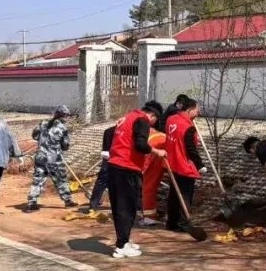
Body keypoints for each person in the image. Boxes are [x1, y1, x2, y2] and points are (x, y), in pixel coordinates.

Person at [107, 101, 165, 259]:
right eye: (155, 120)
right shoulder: (142, 120)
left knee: (120, 207)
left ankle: (123, 240)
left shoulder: (127, 117)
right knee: (127, 208)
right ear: (153, 116)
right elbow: (140, 144)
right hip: (127, 168)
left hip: (114, 166)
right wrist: (156, 151)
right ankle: (121, 247)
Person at [163, 94, 208, 232]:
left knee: (173, 194)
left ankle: (171, 223)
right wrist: (200, 165)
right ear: (189, 110)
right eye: (196, 109)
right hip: (183, 165)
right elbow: (191, 149)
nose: (198, 112)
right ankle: (183, 223)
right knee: (185, 195)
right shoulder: (188, 127)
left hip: (171, 163)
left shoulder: (171, 119)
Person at [26, 105, 75, 212]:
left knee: (38, 180)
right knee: (61, 179)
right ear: (64, 115)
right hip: (54, 158)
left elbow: (34, 135)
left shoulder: (43, 123)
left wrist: (44, 141)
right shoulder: (63, 128)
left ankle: (31, 202)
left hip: (40, 157)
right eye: (67, 116)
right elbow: (65, 145)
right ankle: (68, 200)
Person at [86, 124, 115, 214]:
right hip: (118, 161)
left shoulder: (108, 130)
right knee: (116, 186)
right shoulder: (125, 132)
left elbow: (105, 148)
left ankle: (93, 206)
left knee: (101, 183)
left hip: (107, 159)